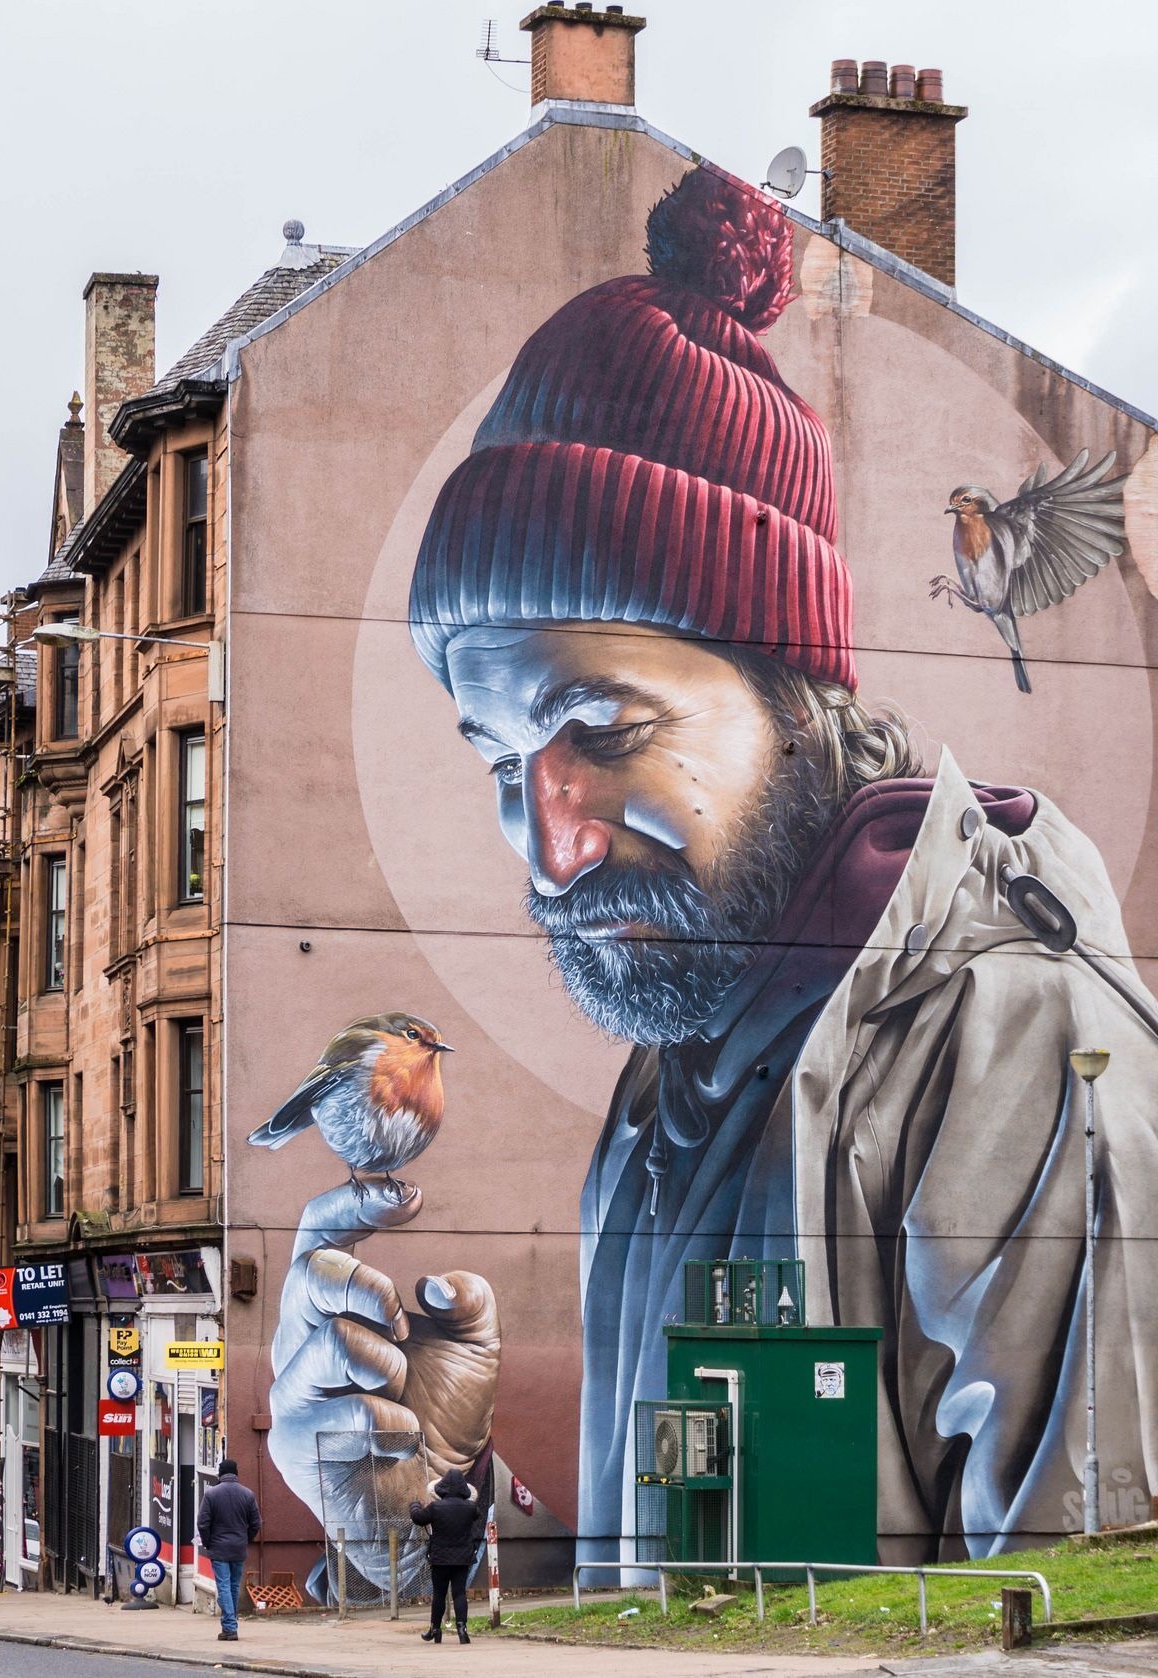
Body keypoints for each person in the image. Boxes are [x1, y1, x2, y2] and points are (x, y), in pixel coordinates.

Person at [402, 165, 1158, 1559]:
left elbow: (1086, 1617)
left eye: (604, 728)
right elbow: (671, 1558)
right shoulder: (689, 1048)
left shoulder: (1023, 1038)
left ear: (795, 693)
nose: (553, 845)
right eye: (500, 764)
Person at [409, 1469, 481, 1644]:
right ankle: (462, 1630)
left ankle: (435, 1630)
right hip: (462, 1557)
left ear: (443, 1487)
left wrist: (415, 1505)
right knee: (459, 1593)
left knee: (439, 1594)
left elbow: (418, 1518)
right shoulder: (471, 1509)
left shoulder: (436, 1507)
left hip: (440, 1557)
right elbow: (476, 1513)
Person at [196, 1459, 261, 1640]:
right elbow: (256, 1523)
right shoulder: (248, 1494)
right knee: (233, 1586)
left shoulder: (211, 1495)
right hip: (238, 1547)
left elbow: (202, 1523)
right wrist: (246, 1539)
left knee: (223, 1587)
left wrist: (208, 1542)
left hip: (219, 1547)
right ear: (236, 1473)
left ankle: (230, 1627)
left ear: (220, 1473)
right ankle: (229, 1625)